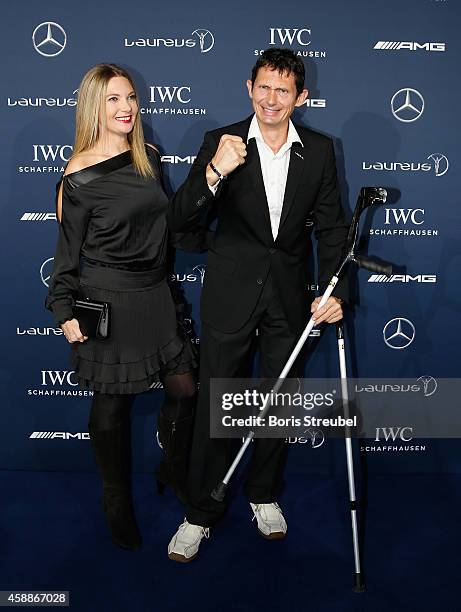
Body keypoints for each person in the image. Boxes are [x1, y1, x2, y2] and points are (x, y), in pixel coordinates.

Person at [167, 48, 349, 561]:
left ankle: (264, 493)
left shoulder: (319, 149)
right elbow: (180, 225)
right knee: (218, 401)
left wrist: (334, 290)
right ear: (249, 87)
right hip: (229, 294)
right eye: (264, 87)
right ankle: (200, 512)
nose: (271, 99)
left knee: (279, 401)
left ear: (301, 98)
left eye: (283, 90)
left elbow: (332, 229)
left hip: (289, 299)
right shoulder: (220, 143)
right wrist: (213, 174)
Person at [45, 63, 197, 551]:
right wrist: (63, 308)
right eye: (113, 99)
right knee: (111, 408)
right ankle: (115, 498)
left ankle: (171, 466)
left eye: (130, 97)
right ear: (94, 105)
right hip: (107, 299)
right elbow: (66, 252)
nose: (126, 107)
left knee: (185, 389)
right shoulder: (78, 175)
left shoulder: (148, 155)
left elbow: (167, 224)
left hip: (155, 294)